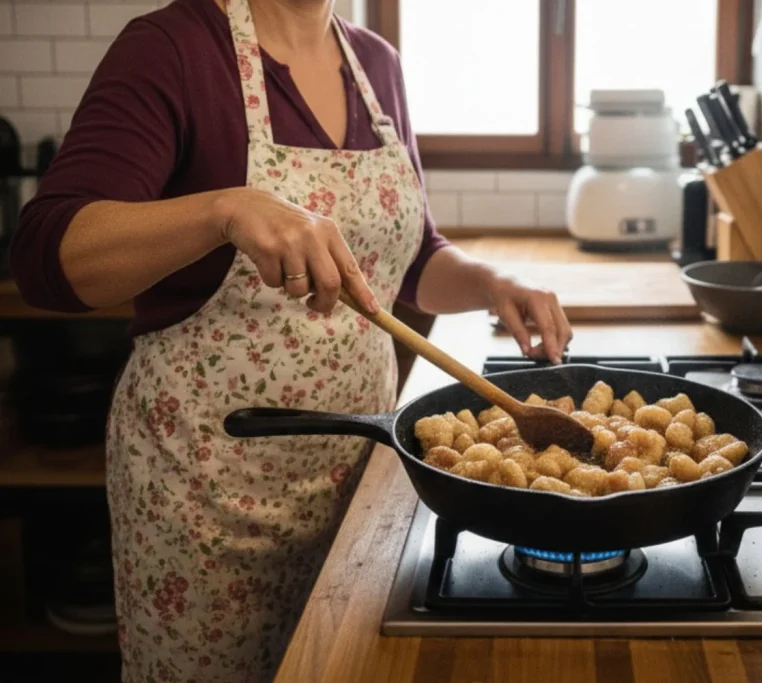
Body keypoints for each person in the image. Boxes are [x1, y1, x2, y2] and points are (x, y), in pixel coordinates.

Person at [12, 0, 572, 680]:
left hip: (358, 479)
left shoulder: (376, 65)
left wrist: (491, 282)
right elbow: (47, 258)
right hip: (209, 494)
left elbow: (407, 260)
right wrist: (225, 209)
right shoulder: (173, 48)